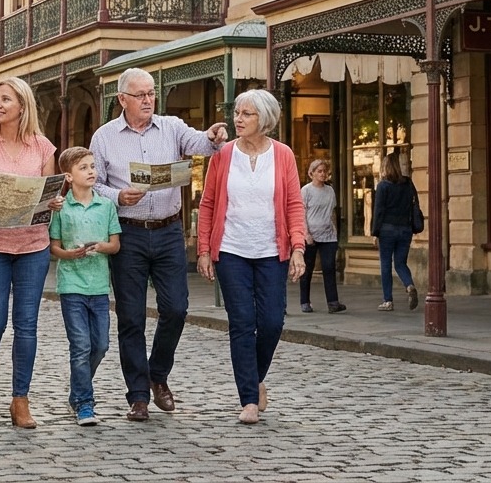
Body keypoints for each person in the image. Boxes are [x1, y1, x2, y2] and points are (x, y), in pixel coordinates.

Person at [89, 66, 227, 421]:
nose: (148, 100)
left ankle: (158, 374)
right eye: (141, 95)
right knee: (131, 317)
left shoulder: (172, 127)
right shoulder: (104, 137)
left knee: (177, 309)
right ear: (123, 99)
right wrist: (119, 195)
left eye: (151, 93)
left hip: (168, 231)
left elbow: (202, 143)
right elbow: (94, 184)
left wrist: (212, 136)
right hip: (129, 232)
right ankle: (137, 395)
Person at [195, 89, 306, 424]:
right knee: (242, 323)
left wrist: (298, 247)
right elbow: (208, 204)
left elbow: (293, 205)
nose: (237, 119)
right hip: (231, 251)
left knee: (272, 321)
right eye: (237, 113)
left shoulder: (283, 155)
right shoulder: (223, 156)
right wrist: (203, 250)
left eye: (246, 114)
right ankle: (248, 400)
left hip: (273, 252)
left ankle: (255, 378)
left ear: (265, 119)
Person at [0, 77, 60, 429]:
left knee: (27, 325)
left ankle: (20, 399)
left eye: (6, 99)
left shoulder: (43, 148)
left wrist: (55, 203)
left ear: (23, 105)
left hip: (33, 245)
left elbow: (48, 198)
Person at [48, 146, 121, 427]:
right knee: (80, 346)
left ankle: (77, 387)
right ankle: (84, 403)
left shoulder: (106, 206)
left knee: (100, 345)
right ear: (69, 176)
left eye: (92, 166)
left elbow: (115, 245)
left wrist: (103, 246)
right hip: (71, 286)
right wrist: (70, 254)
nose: (91, 171)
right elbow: (55, 247)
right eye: (84, 168)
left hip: (99, 286)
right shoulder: (61, 208)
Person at [373, 153, 419, 312]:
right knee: (400, 263)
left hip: (387, 229)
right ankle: (409, 285)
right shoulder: (408, 184)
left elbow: (378, 211)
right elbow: (415, 205)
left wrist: (375, 232)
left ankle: (387, 300)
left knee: (385, 264)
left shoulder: (383, 186)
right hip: (405, 229)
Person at [300, 159, 344, 314]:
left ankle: (333, 302)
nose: (323, 174)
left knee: (329, 267)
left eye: (325, 171)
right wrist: (306, 233)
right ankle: (305, 301)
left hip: (328, 235)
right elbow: (301, 213)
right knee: (307, 269)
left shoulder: (330, 190)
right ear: (311, 173)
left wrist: (335, 232)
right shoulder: (306, 191)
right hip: (311, 234)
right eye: (319, 171)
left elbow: (332, 211)